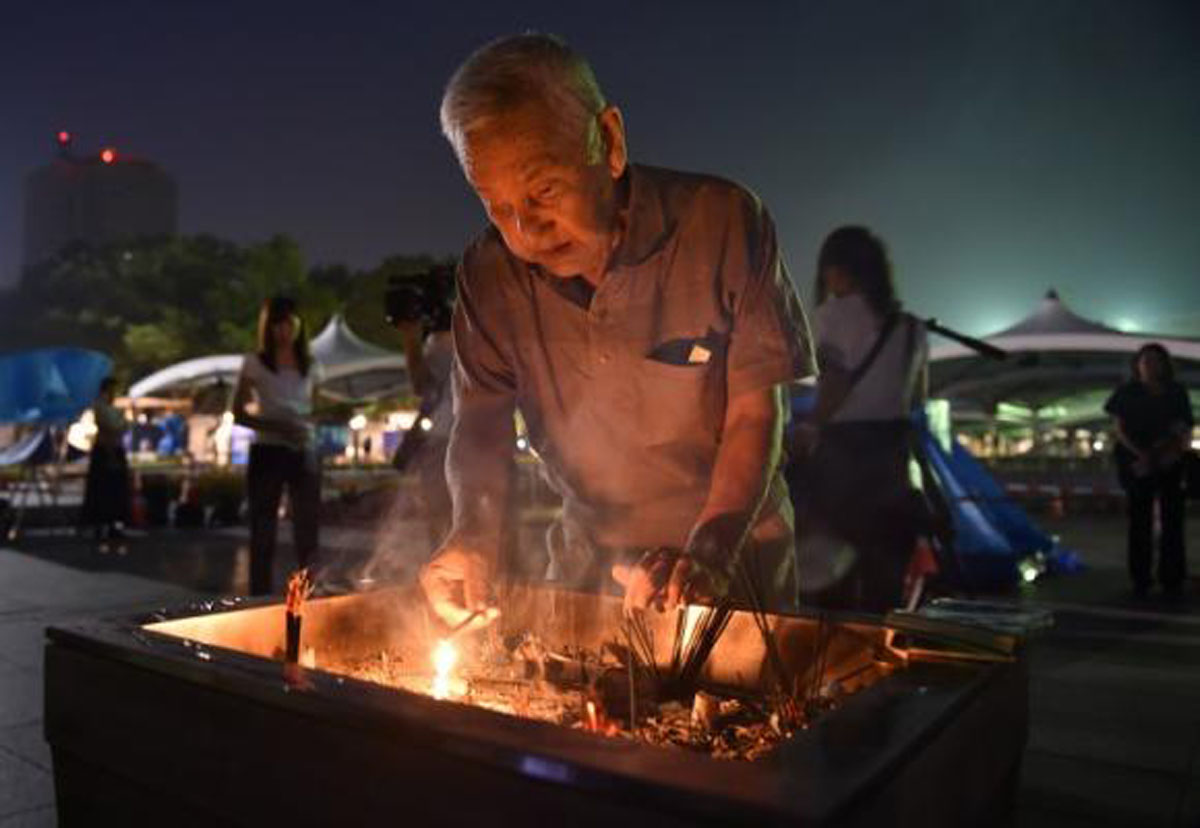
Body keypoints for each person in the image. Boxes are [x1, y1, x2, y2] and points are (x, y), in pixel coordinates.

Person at [420, 33, 814, 631]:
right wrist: (472, 532)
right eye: (496, 206)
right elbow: (480, 424)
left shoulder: (723, 222)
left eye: (543, 190)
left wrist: (710, 549)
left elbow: (755, 415)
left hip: (735, 554)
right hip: (589, 567)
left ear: (608, 141)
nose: (526, 228)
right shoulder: (489, 275)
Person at [797, 226, 929, 614]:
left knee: (834, 567)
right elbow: (918, 395)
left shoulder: (832, 315)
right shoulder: (911, 327)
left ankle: (838, 658)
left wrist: (811, 425)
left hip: (844, 455)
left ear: (839, 270)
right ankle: (881, 654)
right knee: (885, 569)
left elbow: (833, 383)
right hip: (893, 453)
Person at [232, 296, 323, 595]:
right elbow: (239, 412)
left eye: (288, 323)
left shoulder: (312, 365)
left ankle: (308, 595)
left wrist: (327, 416)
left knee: (307, 530)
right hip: (268, 450)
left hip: (303, 449)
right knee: (263, 530)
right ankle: (258, 597)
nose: (283, 330)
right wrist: (278, 426)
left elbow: (317, 408)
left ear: (298, 325)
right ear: (267, 327)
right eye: (276, 324)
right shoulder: (255, 362)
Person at [1105, 343, 1193, 599]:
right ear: (1137, 365)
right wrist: (1141, 454)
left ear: (1165, 365)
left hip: (1170, 461)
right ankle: (1141, 577)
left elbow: (1184, 427)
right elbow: (1119, 429)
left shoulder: (1176, 392)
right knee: (1139, 520)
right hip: (1135, 462)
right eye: (1145, 361)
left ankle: (1172, 576)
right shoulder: (1127, 392)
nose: (1150, 366)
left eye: (1156, 361)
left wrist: (1171, 452)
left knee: (1173, 521)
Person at [80, 376, 130, 542]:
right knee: (104, 490)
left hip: (112, 448)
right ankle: (101, 524)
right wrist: (122, 421)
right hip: (106, 450)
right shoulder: (101, 407)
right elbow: (114, 426)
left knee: (114, 490)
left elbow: (120, 426)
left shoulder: (108, 407)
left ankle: (112, 524)